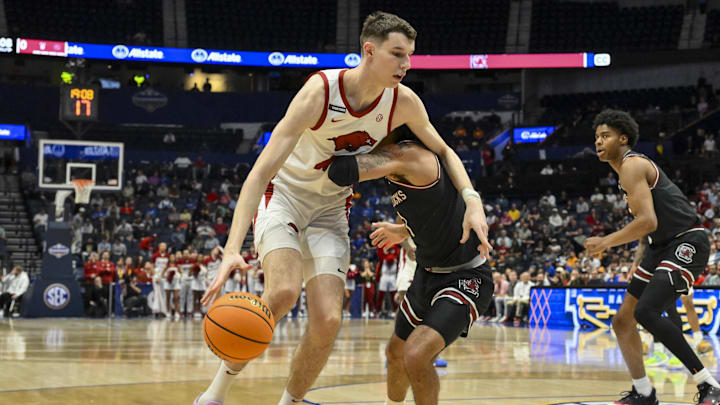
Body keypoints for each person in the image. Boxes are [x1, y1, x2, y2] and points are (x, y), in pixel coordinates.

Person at [195, 11, 491, 405]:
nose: (406, 65)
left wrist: (472, 200)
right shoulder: (319, 91)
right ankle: (216, 394)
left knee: (329, 320)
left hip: (332, 209)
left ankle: (290, 402)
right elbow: (260, 171)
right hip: (285, 196)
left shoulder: (403, 102)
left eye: (410, 56)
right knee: (282, 291)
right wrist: (232, 247)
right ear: (369, 50)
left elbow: (445, 151)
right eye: (397, 54)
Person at [326, 127, 493, 405]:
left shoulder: (405, 155)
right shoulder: (402, 164)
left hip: (465, 276)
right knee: (395, 352)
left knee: (416, 355)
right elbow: (438, 206)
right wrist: (404, 229)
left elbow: (340, 171)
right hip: (427, 274)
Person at [585, 109, 719, 404]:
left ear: (623, 138)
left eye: (605, 136)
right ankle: (644, 392)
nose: (598, 142)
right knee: (622, 321)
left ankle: (709, 384)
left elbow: (648, 222)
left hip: (687, 239)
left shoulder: (633, 165)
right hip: (660, 247)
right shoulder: (623, 173)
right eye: (596, 137)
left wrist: (606, 242)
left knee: (645, 312)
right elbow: (649, 230)